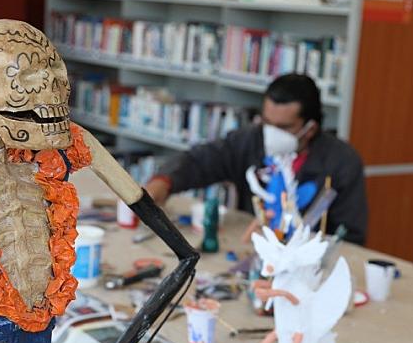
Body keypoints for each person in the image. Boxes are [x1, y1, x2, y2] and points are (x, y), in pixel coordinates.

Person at [145, 74, 368, 244]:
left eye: (283, 127)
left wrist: (296, 241)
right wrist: (164, 182)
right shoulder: (250, 139)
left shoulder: (343, 162)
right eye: (267, 123)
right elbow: (202, 160)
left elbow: (349, 236)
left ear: (310, 128)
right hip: (250, 248)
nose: (270, 133)